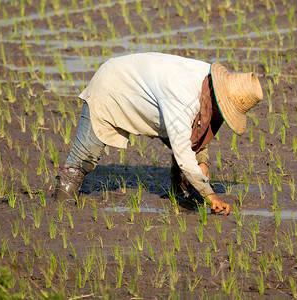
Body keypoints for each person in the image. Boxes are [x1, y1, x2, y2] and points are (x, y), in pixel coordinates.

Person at [54, 52, 263, 215]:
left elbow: (197, 131)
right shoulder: (182, 96)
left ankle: (182, 195)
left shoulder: (209, 80)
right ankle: (60, 206)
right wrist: (211, 195)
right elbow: (183, 151)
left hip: (147, 91)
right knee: (82, 159)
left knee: (190, 147)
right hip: (111, 85)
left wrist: (202, 162)